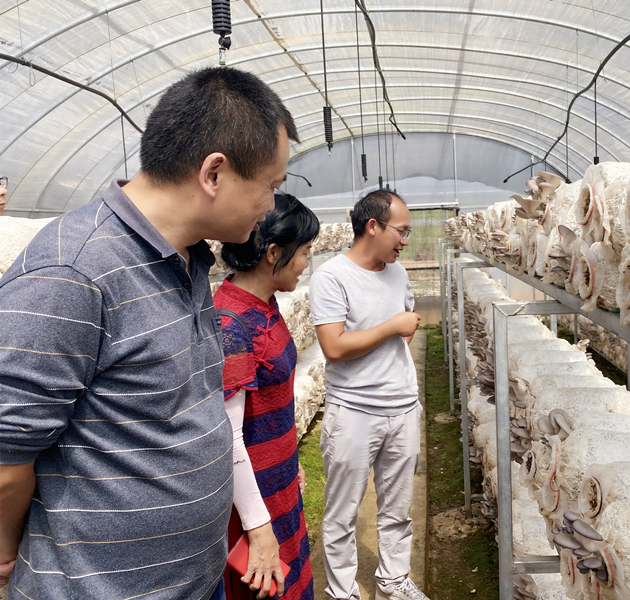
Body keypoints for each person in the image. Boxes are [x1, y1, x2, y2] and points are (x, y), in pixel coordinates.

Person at [0, 66, 298, 600]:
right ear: (213, 174)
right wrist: (4, 549)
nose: (272, 206)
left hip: (192, 580)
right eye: (271, 186)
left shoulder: (189, 262)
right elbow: (6, 457)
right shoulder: (72, 272)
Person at [309, 189, 426, 600]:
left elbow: (406, 331)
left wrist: (394, 344)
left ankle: (394, 582)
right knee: (342, 514)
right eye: (402, 231)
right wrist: (392, 326)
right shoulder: (331, 275)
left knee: (397, 510)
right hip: (354, 413)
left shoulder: (398, 274)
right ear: (372, 226)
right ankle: (343, 592)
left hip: (403, 408)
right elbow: (334, 347)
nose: (405, 241)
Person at [214, 192, 318, 600]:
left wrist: (287, 467)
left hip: (278, 489)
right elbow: (230, 438)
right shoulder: (232, 325)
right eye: (305, 252)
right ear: (273, 252)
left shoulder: (266, 305)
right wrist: (258, 530)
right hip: (252, 508)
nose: (307, 263)